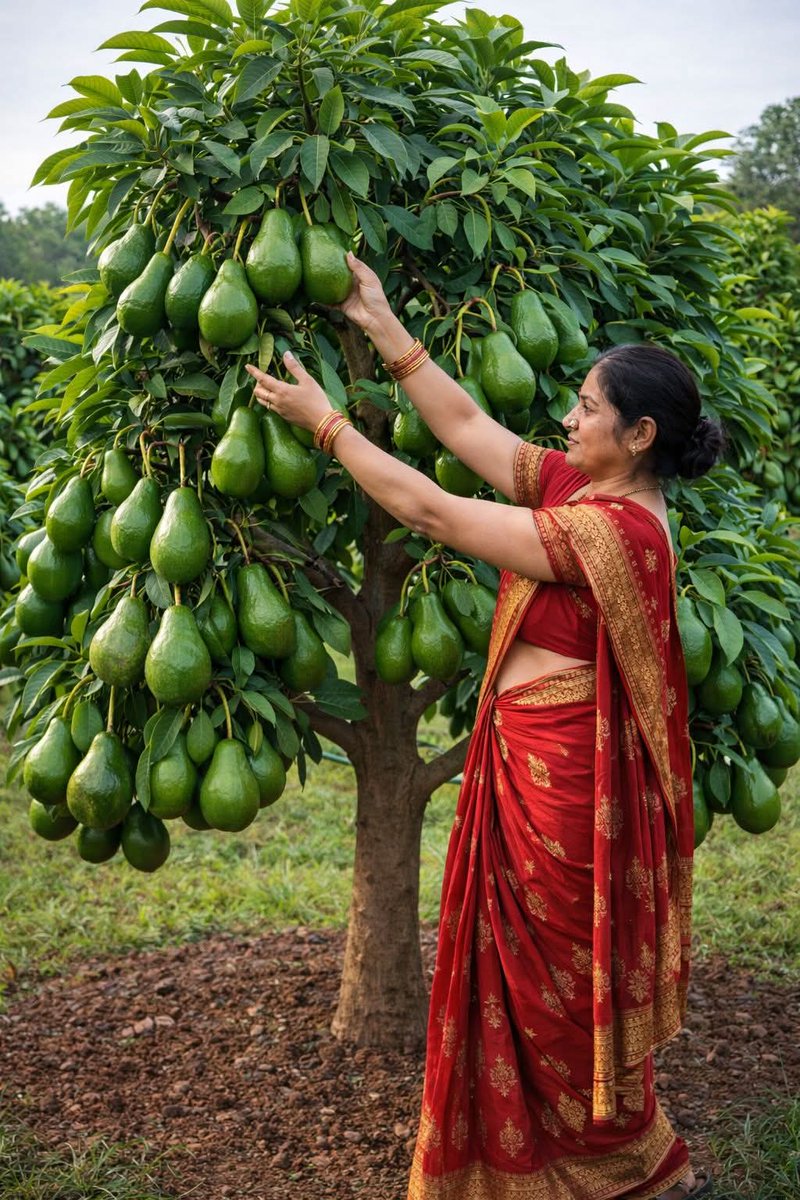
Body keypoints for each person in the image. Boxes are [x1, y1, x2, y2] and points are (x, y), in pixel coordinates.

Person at [246, 253, 724, 1200]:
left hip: (562, 795)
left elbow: (429, 509)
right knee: (540, 992)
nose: (567, 419)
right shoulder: (588, 491)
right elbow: (467, 428)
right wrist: (380, 320)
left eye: (586, 408)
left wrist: (326, 425)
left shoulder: (612, 534)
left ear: (639, 433)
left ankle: (608, 1170)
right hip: (533, 766)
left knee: (551, 997)